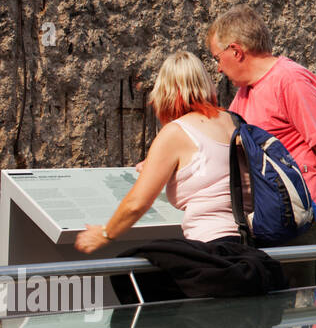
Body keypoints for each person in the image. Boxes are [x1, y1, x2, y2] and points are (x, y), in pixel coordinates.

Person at [206, 6, 316, 280]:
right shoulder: (245, 93)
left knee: (300, 313)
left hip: (302, 220)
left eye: (217, 57)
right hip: (268, 220)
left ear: (236, 51)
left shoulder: (292, 80)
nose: (218, 67)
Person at [75, 52, 241, 254]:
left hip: (213, 247)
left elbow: (137, 203)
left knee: (133, 268)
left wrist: (104, 234)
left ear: (164, 92)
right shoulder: (234, 121)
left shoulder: (176, 132)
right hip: (250, 243)